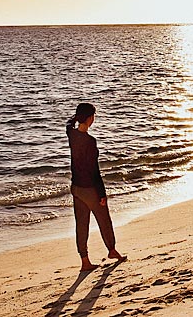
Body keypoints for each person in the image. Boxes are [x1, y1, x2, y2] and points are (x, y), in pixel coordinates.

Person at [66, 102, 127, 271]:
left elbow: (68, 123)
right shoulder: (90, 141)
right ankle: (112, 250)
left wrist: (76, 118)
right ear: (90, 118)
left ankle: (85, 260)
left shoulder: (71, 134)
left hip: (76, 188)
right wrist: (102, 194)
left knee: (81, 224)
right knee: (104, 220)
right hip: (89, 189)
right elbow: (94, 171)